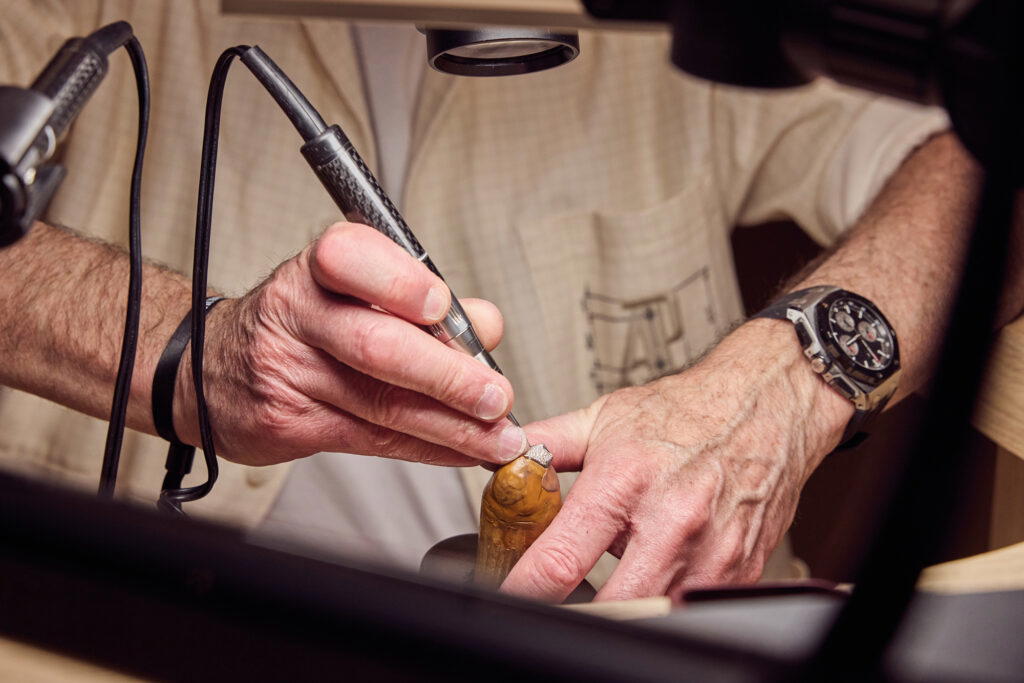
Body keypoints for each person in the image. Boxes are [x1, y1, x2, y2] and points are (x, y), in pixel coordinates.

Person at [1, 1, 1019, 603]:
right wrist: (185, 354)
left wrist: (789, 381)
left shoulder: (686, 30)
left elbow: (993, 154)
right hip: (186, 631)